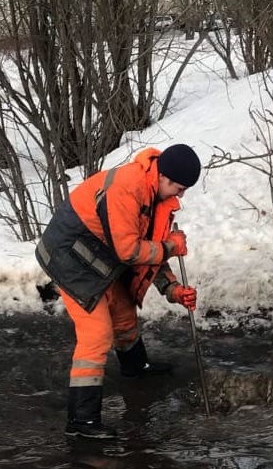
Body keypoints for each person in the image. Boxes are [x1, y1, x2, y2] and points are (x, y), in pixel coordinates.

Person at [35, 144, 201, 440]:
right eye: (178, 187)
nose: (181, 195)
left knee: (124, 314)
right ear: (163, 176)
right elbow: (129, 251)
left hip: (101, 256)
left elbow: (150, 252)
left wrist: (173, 289)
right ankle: (82, 422)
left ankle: (136, 368)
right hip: (68, 256)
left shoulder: (158, 196)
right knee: (96, 334)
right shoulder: (127, 187)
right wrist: (171, 247)